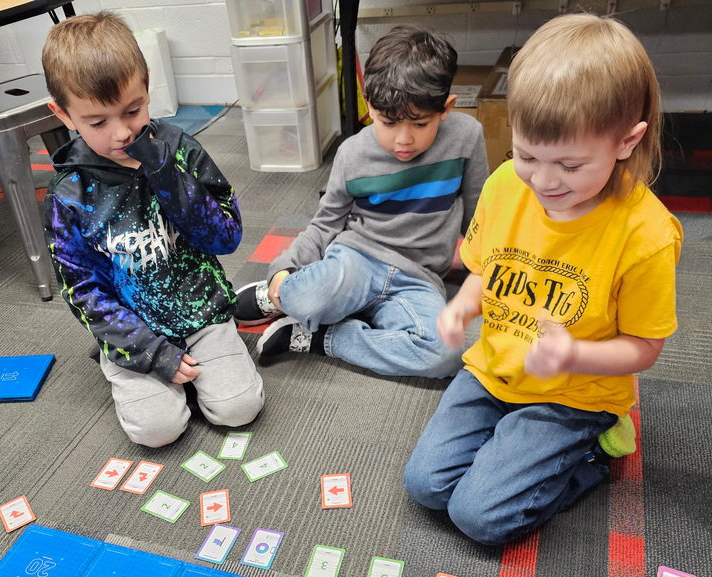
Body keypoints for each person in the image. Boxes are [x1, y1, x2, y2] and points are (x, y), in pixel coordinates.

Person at [404, 13, 681, 546]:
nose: (545, 181)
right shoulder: (508, 183)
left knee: (478, 517)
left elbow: (645, 348)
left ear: (627, 141)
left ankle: (596, 450)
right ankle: (516, 448)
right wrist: (464, 306)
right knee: (426, 485)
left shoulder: (645, 236)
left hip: (574, 395)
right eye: (529, 154)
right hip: (495, 371)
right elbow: (486, 269)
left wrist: (572, 355)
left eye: (571, 166)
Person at [41, 12, 263, 447]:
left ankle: (202, 370)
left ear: (147, 84)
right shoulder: (68, 194)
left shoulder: (181, 150)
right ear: (63, 114)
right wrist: (148, 351)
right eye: (97, 121)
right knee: (157, 432)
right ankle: (127, 366)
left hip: (202, 312)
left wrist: (167, 177)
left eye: (133, 110)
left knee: (240, 409)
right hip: (134, 329)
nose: (122, 133)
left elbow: (227, 236)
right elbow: (82, 291)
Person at [233, 25, 489, 379]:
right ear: (369, 106)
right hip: (357, 260)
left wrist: (488, 274)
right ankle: (278, 293)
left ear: (446, 108)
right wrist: (283, 268)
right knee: (300, 297)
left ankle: (320, 337)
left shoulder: (467, 137)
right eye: (388, 122)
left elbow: (481, 219)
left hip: (420, 279)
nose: (404, 139)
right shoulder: (352, 153)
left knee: (444, 356)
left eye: (419, 123)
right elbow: (325, 225)